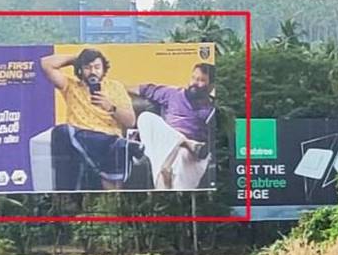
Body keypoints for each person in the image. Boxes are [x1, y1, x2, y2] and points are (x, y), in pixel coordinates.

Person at [40, 49, 140, 190]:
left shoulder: (115, 87)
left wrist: (111, 107)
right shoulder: (71, 86)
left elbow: (130, 122)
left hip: (107, 137)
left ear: (104, 69)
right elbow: (46, 64)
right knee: (62, 131)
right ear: (80, 70)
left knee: (109, 145)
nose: (93, 71)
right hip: (79, 139)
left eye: (97, 67)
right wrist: (78, 59)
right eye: (87, 67)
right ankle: (124, 146)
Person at [129, 63, 216, 190]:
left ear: (211, 86)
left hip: (191, 152)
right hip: (166, 140)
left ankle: (167, 187)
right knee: (145, 117)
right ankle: (186, 143)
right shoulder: (173, 94)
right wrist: (114, 89)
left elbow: (211, 141)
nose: (195, 83)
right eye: (193, 78)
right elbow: (143, 89)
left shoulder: (211, 109)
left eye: (201, 80)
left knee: (182, 156)